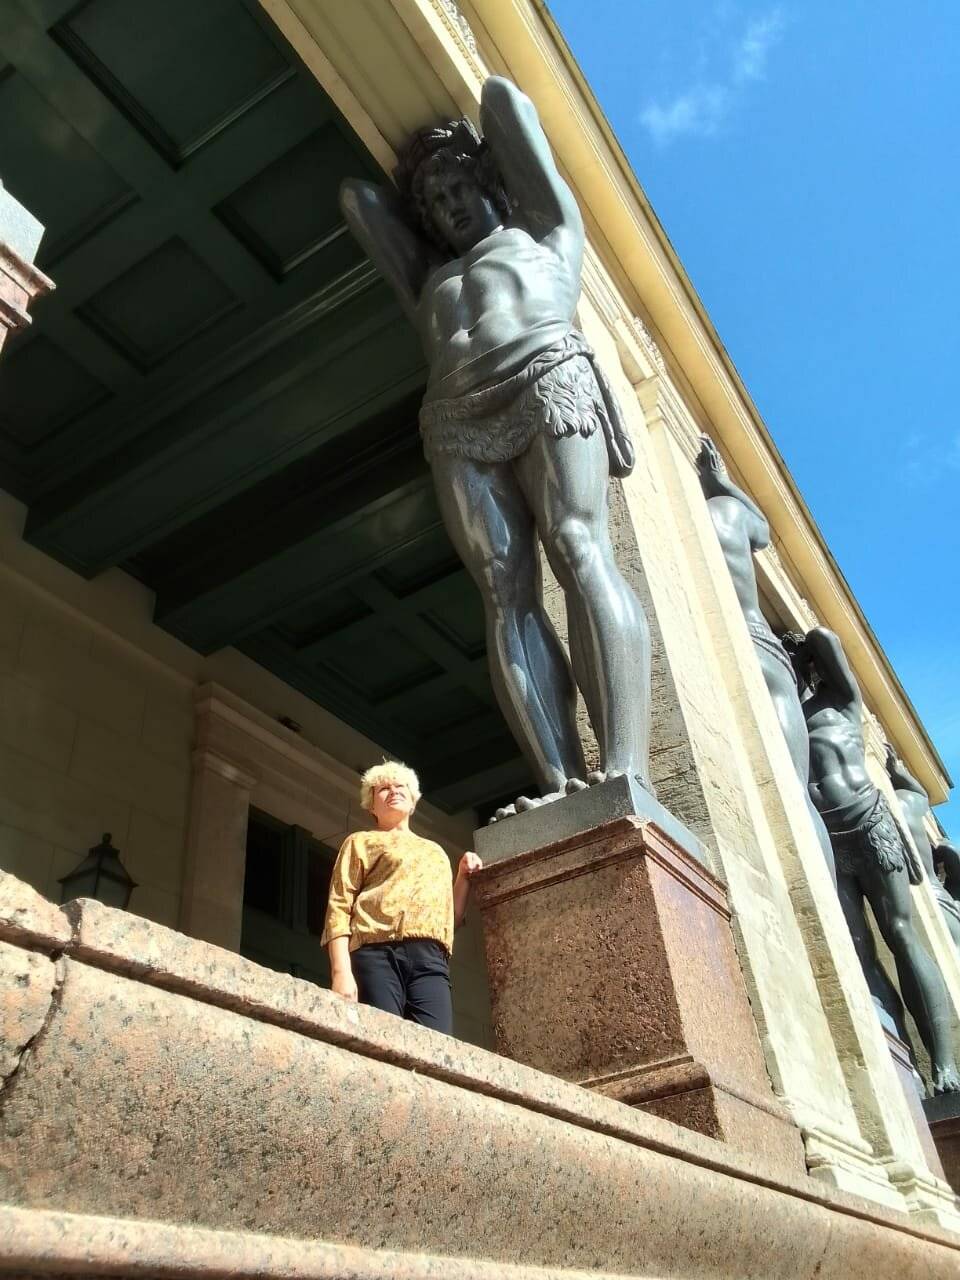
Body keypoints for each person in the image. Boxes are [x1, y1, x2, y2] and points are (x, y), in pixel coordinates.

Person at [340, 75, 653, 820]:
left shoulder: (545, 231)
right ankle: (560, 781)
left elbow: (505, 101)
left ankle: (625, 767)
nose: (448, 207)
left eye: (457, 189)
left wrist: (462, 150)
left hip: (545, 373)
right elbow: (359, 201)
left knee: (578, 545)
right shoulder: (429, 278)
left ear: (489, 181)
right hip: (455, 416)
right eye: (434, 204)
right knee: (503, 591)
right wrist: (422, 179)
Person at [786, 626, 960, 1093]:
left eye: (798, 658)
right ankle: (907, 1069)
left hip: (868, 821)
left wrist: (804, 645)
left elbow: (827, 637)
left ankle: (945, 1065)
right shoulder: (786, 707)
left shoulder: (840, 703)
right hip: (831, 835)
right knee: (860, 951)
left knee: (900, 933)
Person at [696, 436, 835, 881]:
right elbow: (764, 531)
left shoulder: (681, 510)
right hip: (757, 643)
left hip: (713, 639)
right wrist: (722, 483)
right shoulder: (728, 511)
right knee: (795, 788)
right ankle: (826, 901)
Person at [321, 760, 482, 1035]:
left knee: (437, 1045)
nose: (393, 791)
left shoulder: (435, 852)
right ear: (371, 805)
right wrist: (341, 972)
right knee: (384, 1041)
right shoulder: (360, 842)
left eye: (400, 786)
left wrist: (463, 877)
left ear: (413, 800)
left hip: (431, 958)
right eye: (383, 788)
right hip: (377, 953)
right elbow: (338, 907)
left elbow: (449, 918)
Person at [885, 743, 960, 953]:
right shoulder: (910, 802)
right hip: (933, 900)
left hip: (919, 894)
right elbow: (950, 852)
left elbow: (951, 853)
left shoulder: (907, 802)